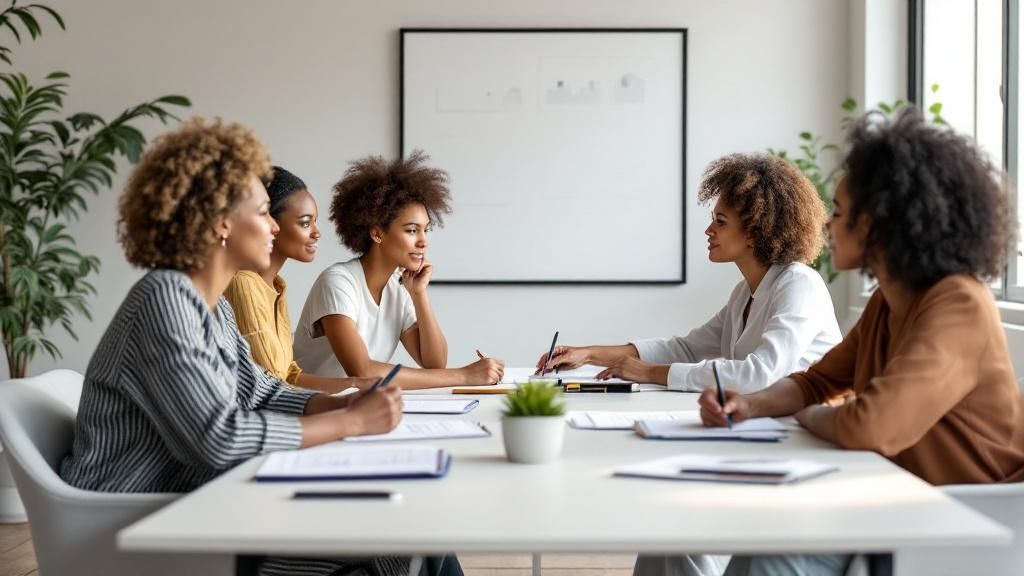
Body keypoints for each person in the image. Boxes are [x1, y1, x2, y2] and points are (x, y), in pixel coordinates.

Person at [58, 119, 454, 576]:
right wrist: (350, 420)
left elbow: (261, 392)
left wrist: (340, 400)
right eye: (265, 212)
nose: (273, 225)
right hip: (136, 519)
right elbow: (220, 437)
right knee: (388, 549)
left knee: (407, 538)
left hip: (196, 502)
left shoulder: (211, 306)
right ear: (221, 223)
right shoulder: (164, 300)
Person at [700, 108, 1024, 576]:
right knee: (753, 546)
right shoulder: (886, 302)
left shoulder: (958, 303)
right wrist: (750, 405)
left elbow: (872, 426)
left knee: (772, 557)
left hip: (966, 523)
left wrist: (806, 416)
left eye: (838, 213)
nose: (827, 226)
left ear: (876, 225)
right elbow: (816, 381)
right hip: (898, 501)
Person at [536, 153, 841, 396]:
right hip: (769, 423)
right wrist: (587, 354)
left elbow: (760, 375)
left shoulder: (799, 285)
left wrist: (650, 373)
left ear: (755, 232)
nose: (709, 230)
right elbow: (686, 349)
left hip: (806, 430)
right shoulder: (744, 295)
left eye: (720, 222)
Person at [294, 151, 503, 389]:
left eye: (426, 230)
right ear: (377, 234)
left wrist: (419, 294)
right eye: (412, 230)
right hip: (311, 409)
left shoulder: (398, 287)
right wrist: (465, 376)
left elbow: (434, 363)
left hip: (360, 408)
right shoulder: (338, 282)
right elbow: (362, 370)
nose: (424, 241)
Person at [224, 165, 371, 393]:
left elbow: (289, 373)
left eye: (315, 221)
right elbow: (272, 381)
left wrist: (351, 384)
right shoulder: (243, 284)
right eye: (304, 223)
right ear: (270, 223)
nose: (316, 232)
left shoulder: (276, 286)